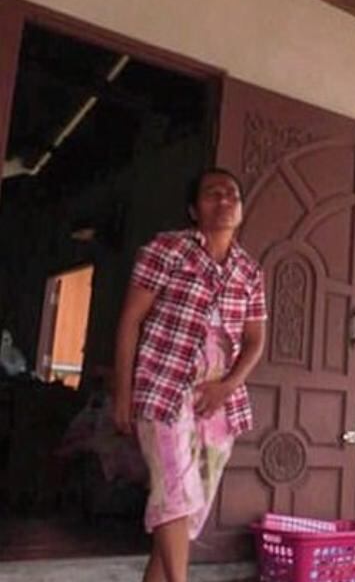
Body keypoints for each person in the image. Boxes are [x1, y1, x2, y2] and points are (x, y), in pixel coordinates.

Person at [112, 168, 266, 582]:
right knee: (175, 495)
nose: (225, 200)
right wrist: (122, 394)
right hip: (163, 389)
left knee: (187, 512)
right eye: (213, 193)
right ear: (193, 209)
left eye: (232, 194)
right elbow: (130, 320)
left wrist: (227, 387)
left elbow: (255, 341)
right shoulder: (167, 250)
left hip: (218, 404)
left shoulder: (249, 272)